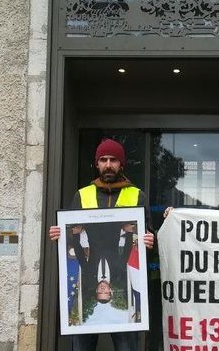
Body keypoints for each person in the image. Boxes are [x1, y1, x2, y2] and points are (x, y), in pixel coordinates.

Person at [49, 138, 154, 351]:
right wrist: (61, 234)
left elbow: (147, 234)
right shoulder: (82, 194)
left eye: (113, 160)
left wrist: (150, 240)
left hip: (123, 322)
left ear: (121, 164)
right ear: (97, 164)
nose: (108, 164)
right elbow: (72, 234)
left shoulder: (137, 195)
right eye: (103, 160)